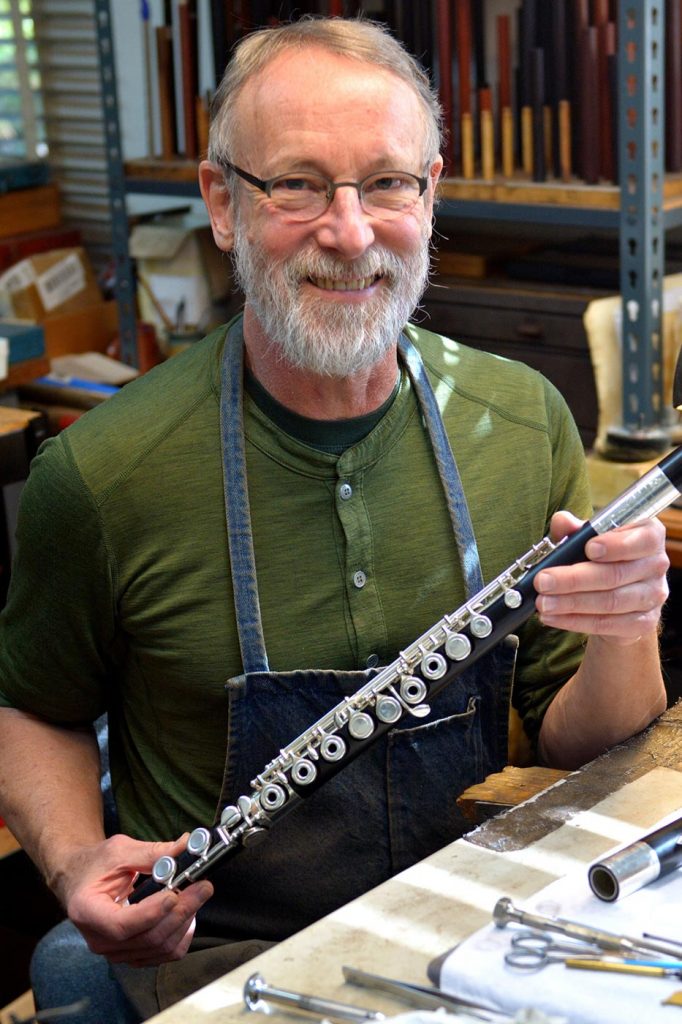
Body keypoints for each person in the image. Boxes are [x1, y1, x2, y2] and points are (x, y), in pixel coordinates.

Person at [0, 15, 670, 1024]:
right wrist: (70, 859)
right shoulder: (99, 475)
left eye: (386, 183)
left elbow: (580, 746)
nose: (351, 232)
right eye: (298, 184)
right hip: (226, 961)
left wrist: (625, 629)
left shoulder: (526, 417)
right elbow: (32, 709)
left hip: (485, 932)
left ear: (430, 192)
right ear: (221, 202)